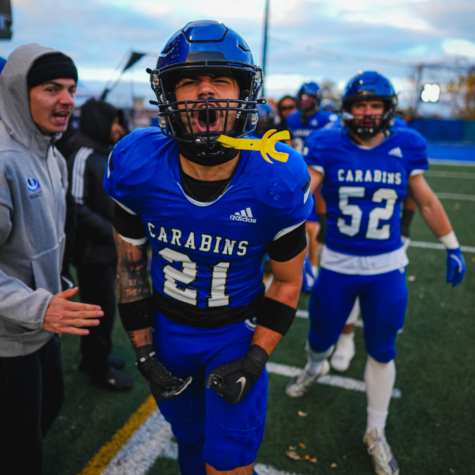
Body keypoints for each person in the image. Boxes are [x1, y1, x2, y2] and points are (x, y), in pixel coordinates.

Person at [104, 20, 312, 475]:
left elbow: (288, 281)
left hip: (235, 333)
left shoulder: (274, 179)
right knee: (191, 446)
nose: (205, 92)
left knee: (228, 465)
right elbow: (131, 269)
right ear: (169, 96)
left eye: (221, 79)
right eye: (189, 81)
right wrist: (144, 354)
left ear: (244, 92)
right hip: (168, 330)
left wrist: (256, 358)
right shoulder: (137, 164)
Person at [285, 71, 466, 475]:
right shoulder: (326, 142)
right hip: (337, 263)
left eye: (375, 105)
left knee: (383, 349)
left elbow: (428, 202)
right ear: (348, 109)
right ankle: (314, 367)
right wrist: (285, 245)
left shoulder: (408, 144)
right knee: (319, 339)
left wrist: (452, 245)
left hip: (386, 268)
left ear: (388, 109)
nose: (367, 113)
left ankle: (376, 431)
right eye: (360, 105)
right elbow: (302, 197)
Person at [0, 44, 103, 475]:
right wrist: (39, 307)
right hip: (8, 338)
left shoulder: (52, 153)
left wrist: (54, 287)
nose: (66, 99)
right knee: (22, 455)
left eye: (72, 89)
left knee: (51, 402)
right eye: (51, 88)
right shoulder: (3, 160)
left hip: (40, 326)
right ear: (15, 92)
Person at [67, 98, 131, 390]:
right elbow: (76, 205)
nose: (118, 128)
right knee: (99, 309)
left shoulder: (103, 152)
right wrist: (112, 230)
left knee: (100, 309)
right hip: (91, 251)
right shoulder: (82, 153)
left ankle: (91, 357)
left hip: (106, 248)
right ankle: (99, 369)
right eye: (113, 122)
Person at [287, 81, 338, 285]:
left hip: (316, 173)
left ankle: (313, 265)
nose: (304, 101)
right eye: (302, 97)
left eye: (309, 98)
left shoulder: (327, 119)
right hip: (297, 172)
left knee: (312, 224)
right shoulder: (292, 119)